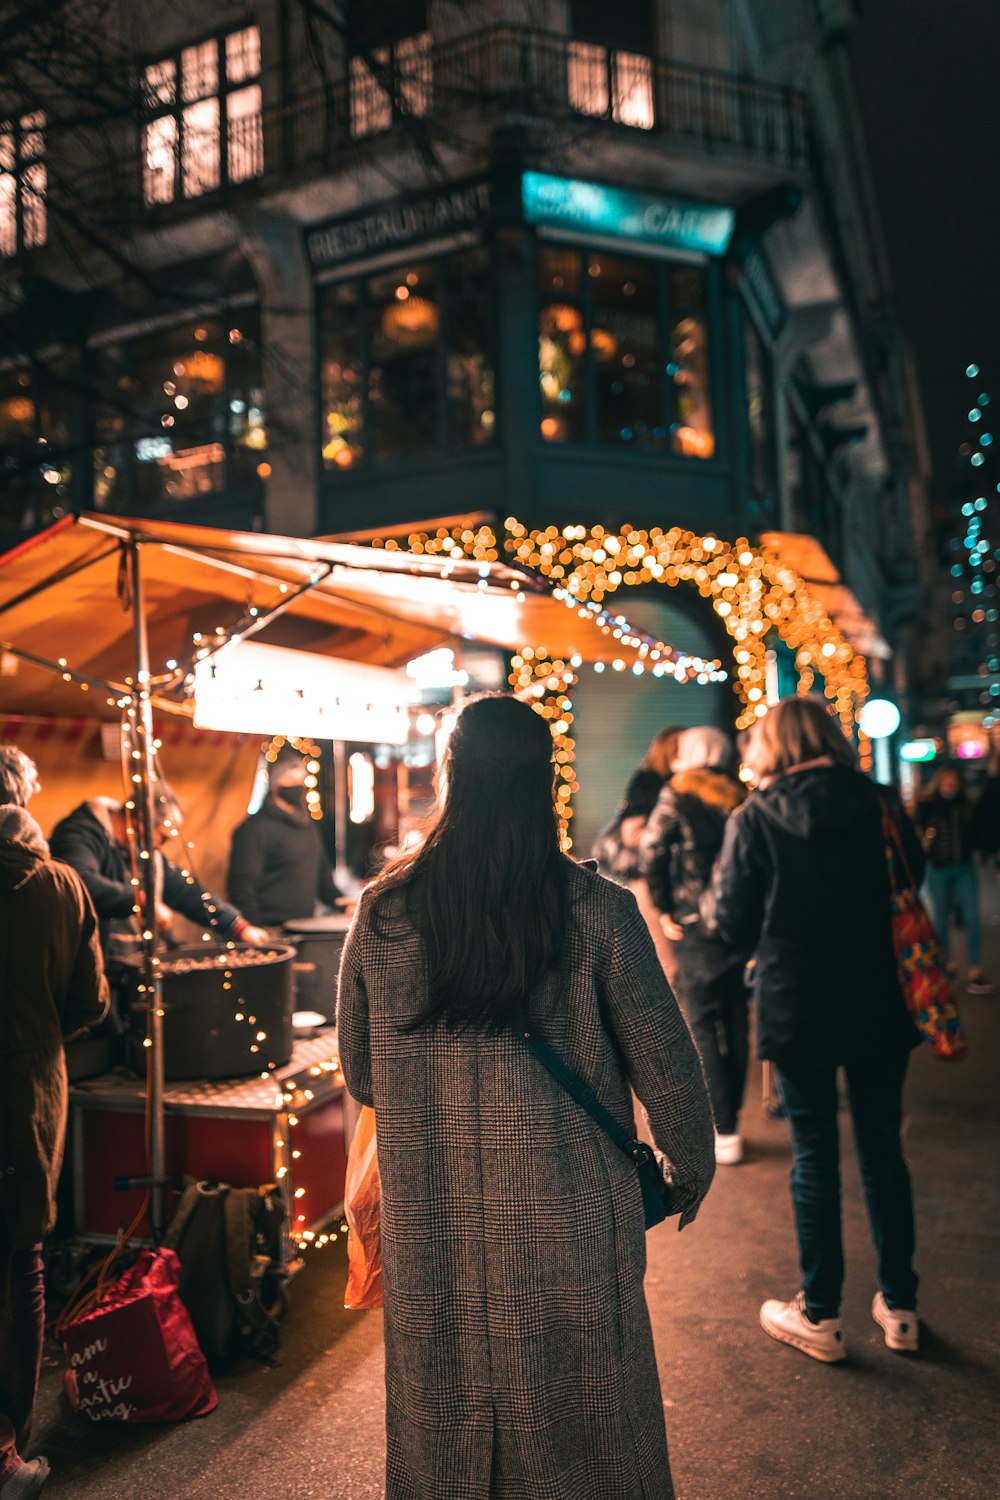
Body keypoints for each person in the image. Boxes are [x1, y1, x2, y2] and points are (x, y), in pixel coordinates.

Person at [337, 694, 715, 1500]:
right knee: (591, 1430)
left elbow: (363, 1077)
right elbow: (670, 1069)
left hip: (432, 1220)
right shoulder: (600, 912)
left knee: (449, 1430)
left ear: (451, 777)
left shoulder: (384, 913)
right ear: (547, 784)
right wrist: (687, 1170)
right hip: (573, 1217)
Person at [713, 696, 924, 1363]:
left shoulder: (755, 817)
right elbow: (910, 877)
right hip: (879, 997)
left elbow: (731, 921)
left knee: (814, 1155)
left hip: (795, 1001)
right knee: (883, 1148)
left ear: (772, 747)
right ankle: (901, 1306)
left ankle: (822, 1313)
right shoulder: (881, 802)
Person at [0, 748, 109, 1498]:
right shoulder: (60, 887)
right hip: (23, 1100)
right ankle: (10, 1450)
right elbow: (90, 1005)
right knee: (19, 1266)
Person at [639, 726, 750, 1166]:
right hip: (738, 926)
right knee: (737, 1018)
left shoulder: (677, 794)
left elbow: (653, 854)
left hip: (692, 925)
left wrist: (665, 908)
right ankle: (734, 1120)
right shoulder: (740, 793)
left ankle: (721, 1127)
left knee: (702, 1022)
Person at [49, 788, 270, 975]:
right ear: (138, 821)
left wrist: (236, 925)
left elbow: (186, 892)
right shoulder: (80, 835)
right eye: (162, 837)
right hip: (93, 969)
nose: (161, 848)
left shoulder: (145, 851)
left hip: (131, 965)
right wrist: (143, 902)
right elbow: (79, 882)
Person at [592, 726, 682, 980]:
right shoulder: (650, 783)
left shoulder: (678, 784)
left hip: (667, 878)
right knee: (667, 963)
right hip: (647, 875)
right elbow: (632, 833)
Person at [227, 745, 343, 927]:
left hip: (304, 926)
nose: (297, 785)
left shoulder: (306, 824)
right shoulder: (255, 829)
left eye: (301, 779)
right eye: (290, 779)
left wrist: (341, 903)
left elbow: (321, 874)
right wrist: (254, 928)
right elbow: (241, 886)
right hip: (270, 928)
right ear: (275, 783)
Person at [914, 762, 993, 994]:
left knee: (972, 917)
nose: (951, 786)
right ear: (939, 783)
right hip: (937, 869)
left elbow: (980, 830)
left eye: (954, 783)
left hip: (964, 867)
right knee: (940, 919)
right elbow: (917, 830)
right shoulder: (927, 806)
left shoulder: (966, 806)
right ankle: (946, 964)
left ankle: (975, 970)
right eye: (947, 782)